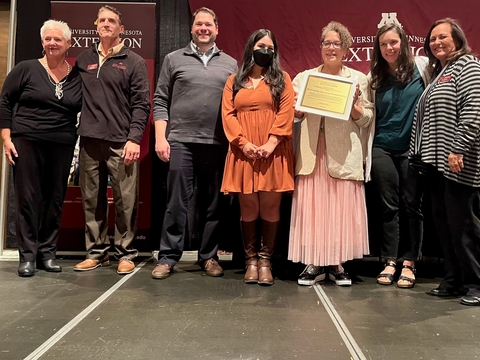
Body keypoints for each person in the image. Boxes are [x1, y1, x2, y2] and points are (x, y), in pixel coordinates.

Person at [151, 7, 237, 279]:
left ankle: (209, 256)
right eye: (199, 24)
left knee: (213, 205)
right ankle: (167, 257)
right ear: (192, 28)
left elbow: (235, 106)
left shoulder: (231, 64)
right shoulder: (174, 59)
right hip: (180, 142)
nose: (203, 28)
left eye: (208, 24)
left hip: (217, 144)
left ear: (217, 29)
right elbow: (160, 100)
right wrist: (160, 138)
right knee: (176, 203)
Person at [288, 21, 374, 287]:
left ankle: (337, 263)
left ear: (346, 48)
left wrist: (353, 107)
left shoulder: (358, 80)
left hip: (343, 154)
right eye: (327, 42)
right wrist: (298, 112)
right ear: (321, 47)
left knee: (339, 209)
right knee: (314, 209)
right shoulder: (304, 78)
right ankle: (314, 262)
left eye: (337, 43)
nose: (331, 48)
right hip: (313, 154)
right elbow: (294, 116)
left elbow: (367, 119)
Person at [0, 20, 82, 277]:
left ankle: (48, 254)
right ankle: (27, 256)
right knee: (27, 198)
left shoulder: (77, 75)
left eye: (58, 39)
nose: (52, 43)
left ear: (68, 43)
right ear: (42, 42)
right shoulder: (25, 69)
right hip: (27, 141)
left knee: (55, 199)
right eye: (48, 39)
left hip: (62, 144)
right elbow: (4, 102)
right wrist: (6, 138)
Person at [73, 5, 150, 275]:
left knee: (125, 201)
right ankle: (96, 253)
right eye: (102, 20)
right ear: (96, 26)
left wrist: (134, 139)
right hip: (90, 142)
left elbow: (142, 104)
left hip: (121, 142)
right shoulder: (83, 59)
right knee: (91, 201)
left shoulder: (134, 61)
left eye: (112, 21)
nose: (106, 24)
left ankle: (126, 253)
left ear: (121, 28)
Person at [410, 18, 480, 305]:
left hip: (458, 163)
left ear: (457, 39)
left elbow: (474, 110)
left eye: (443, 37)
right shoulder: (440, 72)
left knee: (465, 225)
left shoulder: (469, 66)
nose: (437, 42)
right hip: (436, 165)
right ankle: (453, 279)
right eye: (433, 39)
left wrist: (458, 149)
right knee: (445, 225)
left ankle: (476, 283)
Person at [221, 29, 294, 286]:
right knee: (249, 207)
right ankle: (250, 261)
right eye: (261, 46)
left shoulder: (282, 79)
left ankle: (265, 261)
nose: (266, 51)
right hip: (244, 152)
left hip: (273, 151)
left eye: (270, 48)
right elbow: (227, 115)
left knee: (271, 207)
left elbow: (287, 112)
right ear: (251, 47)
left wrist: (272, 142)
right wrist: (244, 143)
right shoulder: (234, 81)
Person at [368, 24, 430, 288]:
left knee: (411, 204)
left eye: (393, 42)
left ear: (403, 43)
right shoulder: (374, 76)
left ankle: (410, 262)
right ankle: (390, 260)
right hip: (381, 146)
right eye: (383, 44)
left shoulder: (423, 66)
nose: (389, 48)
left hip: (412, 148)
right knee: (388, 206)